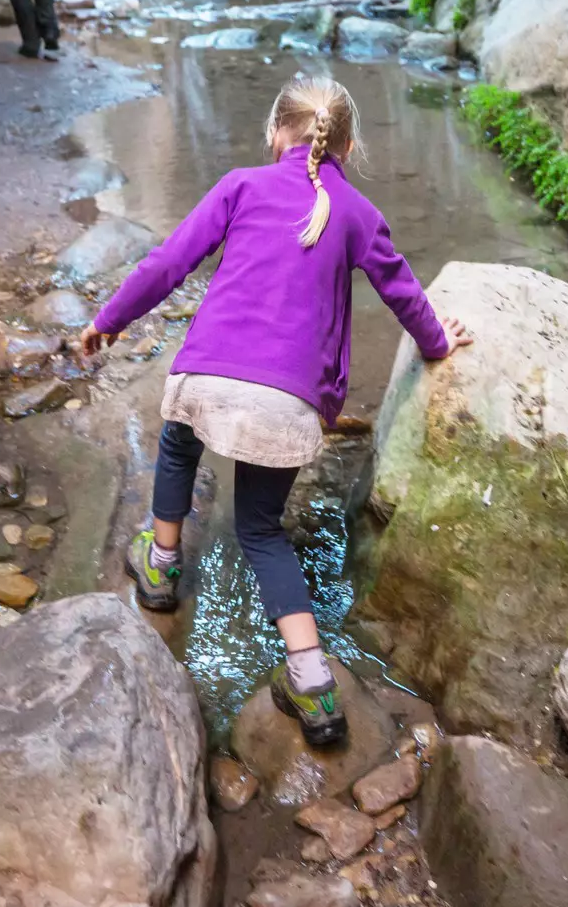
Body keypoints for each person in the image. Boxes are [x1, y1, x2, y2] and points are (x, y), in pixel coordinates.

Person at [79, 75, 472, 746]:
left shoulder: (241, 185)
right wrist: (438, 342)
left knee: (178, 444)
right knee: (261, 528)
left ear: (274, 134)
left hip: (208, 373)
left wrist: (108, 320)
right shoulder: (357, 214)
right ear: (349, 145)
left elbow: (168, 261)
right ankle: (313, 678)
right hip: (287, 398)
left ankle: (161, 566)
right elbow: (403, 293)